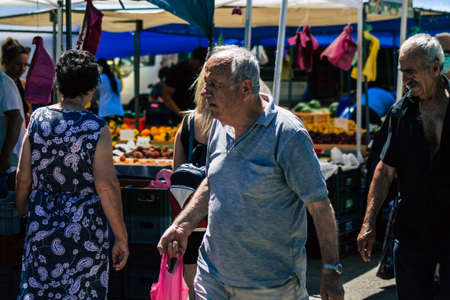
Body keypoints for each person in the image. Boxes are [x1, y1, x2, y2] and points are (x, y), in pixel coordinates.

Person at [158, 45, 344, 300]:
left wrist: (331, 270)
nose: (204, 91)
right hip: (211, 276)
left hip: (270, 285)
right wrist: (183, 224)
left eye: (214, 84)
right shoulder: (219, 125)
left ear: (245, 88)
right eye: (205, 83)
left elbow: (320, 206)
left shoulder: (287, 134)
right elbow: (213, 180)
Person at [15, 49, 129, 299]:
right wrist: (120, 236)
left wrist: (24, 213)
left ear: (59, 83)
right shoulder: (95, 127)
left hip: (41, 222)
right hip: (84, 228)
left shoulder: (38, 119)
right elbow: (107, 186)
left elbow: (23, 177)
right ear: (91, 88)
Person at [357, 33, 450, 299]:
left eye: (411, 72)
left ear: (435, 68)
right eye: (402, 72)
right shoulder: (400, 113)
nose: (405, 80)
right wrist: (368, 222)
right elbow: (384, 171)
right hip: (413, 229)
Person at [171, 65, 212, 300]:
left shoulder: (187, 124)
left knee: (192, 276)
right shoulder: (231, 124)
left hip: (190, 217)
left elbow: (176, 172)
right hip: (221, 215)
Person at [162, 47, 207, 124]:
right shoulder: (176, 71)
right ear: (192, 58)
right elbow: (166, 96)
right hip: (177, 118)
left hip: (198, 117)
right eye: (199, 64)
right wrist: (181, 114)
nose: (199, 68)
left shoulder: (203, 72)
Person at [0, 66, 24, 190]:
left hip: (6, 165)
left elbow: (16, 119)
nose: (22, 69)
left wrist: (4, 157)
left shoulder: (3, 82)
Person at [1, 38, 31, 121]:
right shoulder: (3, 84)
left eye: (25, 65)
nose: (22, 69)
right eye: (18, 64)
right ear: (6, 61)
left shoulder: (22, 84)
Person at [96, 58, 124, 123]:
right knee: (118, 132)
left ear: (100, 67)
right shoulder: (115, 79)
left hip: (106, 112)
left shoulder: (101, 78)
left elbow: (93, 91)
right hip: (118, 112)